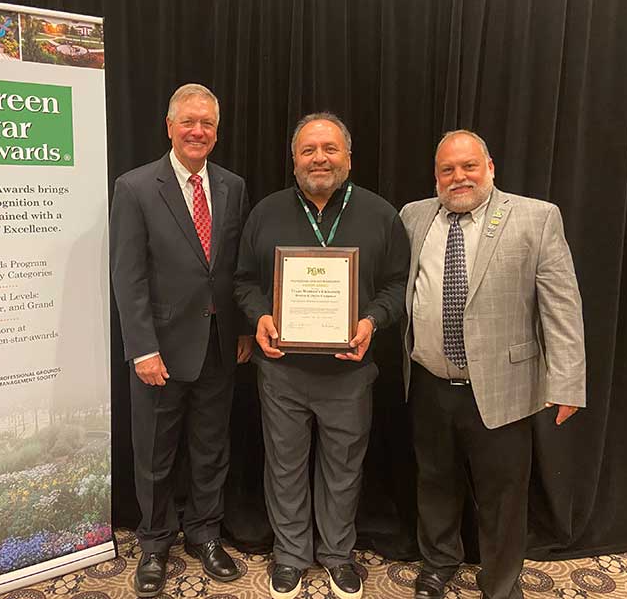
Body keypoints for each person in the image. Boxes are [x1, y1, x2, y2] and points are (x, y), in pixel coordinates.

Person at [400, 130, 586, 599]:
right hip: (429, 381)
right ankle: (437, 565)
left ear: (490, 167)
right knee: (435, 480)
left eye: (469, 166)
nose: (458, 177)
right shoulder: (413, 216)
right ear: (436, 175)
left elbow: (561, 305)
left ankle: (500, 583)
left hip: (503, 384)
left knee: (503, 494)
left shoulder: (536, 217)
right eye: (447, 169)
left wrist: (567, 381)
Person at [234, 112, 410, 599]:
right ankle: (290, 554)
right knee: (284, 466)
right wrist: (260, 318)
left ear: (348, 158)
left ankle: (336, 553)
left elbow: (398, 284)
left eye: (330, 149)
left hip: (349, 373)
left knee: (344, 467)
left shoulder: (380, 214)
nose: (320, 158)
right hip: (281, 370)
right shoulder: (266, 212)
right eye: (309, 150)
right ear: (293, 160)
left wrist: (372, 319)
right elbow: (243, 281)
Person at [110, 83, 252, 597]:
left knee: (212, 447)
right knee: (154, 451)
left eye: (208, 123)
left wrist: (239, 329)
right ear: (169, 126)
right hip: (160, 351)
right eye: (188, 121)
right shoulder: (135, 187)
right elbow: (127, 276)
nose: (198, 131)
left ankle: (205, 534)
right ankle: (153, 543)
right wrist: (142, 348)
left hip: (219, 345)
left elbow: (233, 269)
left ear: (217, 130)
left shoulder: (233, 186)